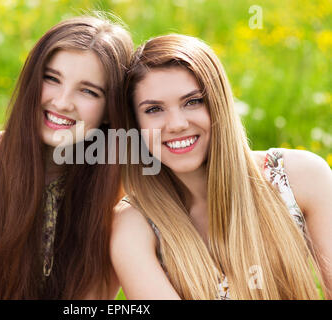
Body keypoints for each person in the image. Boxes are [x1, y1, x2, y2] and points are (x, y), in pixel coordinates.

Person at [110, 34, 332, 299]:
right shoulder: (133, 224)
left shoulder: (300, 176)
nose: (177, 124)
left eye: (193, 101)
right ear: (135, 125)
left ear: (219, 104)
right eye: (154, 109)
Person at [0, 14, 133, 299]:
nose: (62, 102)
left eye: (88, 91)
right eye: (52, 79)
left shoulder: (114, 192)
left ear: (111, 110)